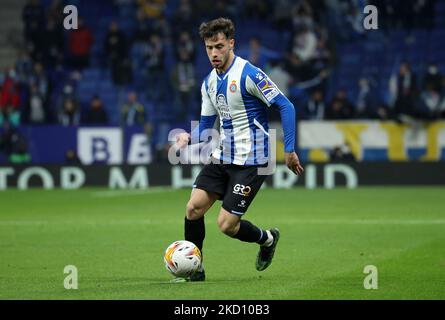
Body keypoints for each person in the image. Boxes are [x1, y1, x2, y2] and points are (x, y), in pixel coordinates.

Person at [174, 18, 304, 282]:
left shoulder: (250, 74)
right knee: (193, 208)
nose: (214, 53)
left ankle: (267, 240)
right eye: (209, 47)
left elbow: (286, 106)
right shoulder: (209, 82)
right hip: (223, 157)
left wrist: (289, 149)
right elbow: (207, 127)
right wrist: (189, 136)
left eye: (219, 46)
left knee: (226, 225)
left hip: (253, 160)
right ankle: (195, 269)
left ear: (231, 44)